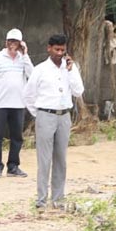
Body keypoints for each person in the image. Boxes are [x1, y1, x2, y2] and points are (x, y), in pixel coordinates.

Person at [24, 33, 85, 209]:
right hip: (45, 115)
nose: (59, 53)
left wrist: (72, 70)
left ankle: (58, 197)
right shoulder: (40, 69)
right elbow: (28, 95)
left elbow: (78, 91)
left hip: (64, 116)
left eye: (62, 50)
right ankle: (41, 199)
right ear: (49, 49)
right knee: (44, 159)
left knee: (60, 158)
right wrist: (40, 114)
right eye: (56, 49)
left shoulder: (70, 68)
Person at [0, 28, 33, 179]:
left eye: (15, 42)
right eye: (10, 41)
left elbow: (32, 76)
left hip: (18, 104)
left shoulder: (23, 59)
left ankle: (13, 166)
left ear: (20, 43)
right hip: (0, 104)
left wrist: (26, 55)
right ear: (6, 42)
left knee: (17, 136)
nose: (12, 44)